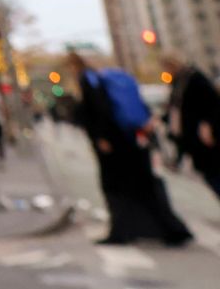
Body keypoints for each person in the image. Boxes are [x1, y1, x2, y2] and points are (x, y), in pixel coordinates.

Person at [68, 51, 192, 246]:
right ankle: (170, 229)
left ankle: (125, 232)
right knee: (144, 185)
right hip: (131, 140)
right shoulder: (108, 79)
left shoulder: (89, 80)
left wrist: (101, 137)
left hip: (114, 145)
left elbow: (98, 110)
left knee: (117, 188)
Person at [167, 56, 220, 200]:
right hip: (192, 137)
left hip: (204, 136)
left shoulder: (193, 77)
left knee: (214, 173)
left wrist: (207, 123)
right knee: (209, 174)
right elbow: (176, 109)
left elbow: (212, 101)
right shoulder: (178, 82)